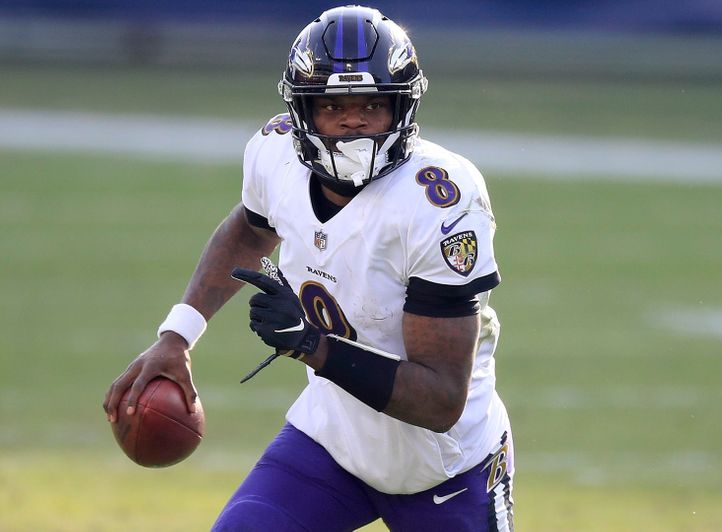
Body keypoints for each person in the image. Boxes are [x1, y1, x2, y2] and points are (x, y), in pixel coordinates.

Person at [102, 5, 513, 531]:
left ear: (403, 108)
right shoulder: (276, 154)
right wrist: (177, 336)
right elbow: (251, 229)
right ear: (301, 111)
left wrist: (309, 342)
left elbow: (440, 399)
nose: (352, 120)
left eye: (372, 104)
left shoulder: (438, 202)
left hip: (446, 467)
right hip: (333, 440)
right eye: (331, 104)